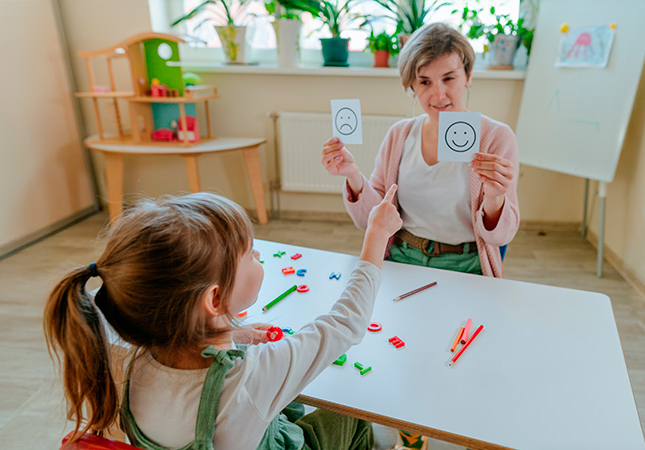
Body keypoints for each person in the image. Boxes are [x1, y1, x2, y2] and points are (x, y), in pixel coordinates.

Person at [43, 189, 402, 450]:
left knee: (289, 404)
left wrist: (236, 335)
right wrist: (376, 236)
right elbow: (346, 324)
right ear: (214, 299)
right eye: (249, 254)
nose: (259, 254)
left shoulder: (136, 360)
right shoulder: (250, 375)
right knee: (351, 414)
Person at [321, 22, 520, 280]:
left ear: (468, 76)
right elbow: (369, 222)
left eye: (449, 78)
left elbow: (500, 237)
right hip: (402, 258)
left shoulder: (496, 137)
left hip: (467, 266)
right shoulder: (399, 135)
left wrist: (495, 198)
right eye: (425, 82)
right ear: (413, 87)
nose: (438, 95)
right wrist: (354, 177)